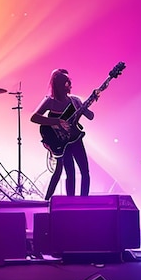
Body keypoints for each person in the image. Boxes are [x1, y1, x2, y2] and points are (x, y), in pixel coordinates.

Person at [30, 68, 94, 201]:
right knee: (69, 173)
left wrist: (86, 106)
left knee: (85, 172)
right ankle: (70, 202)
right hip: (62, 141)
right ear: (60, 85)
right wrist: (56, 121)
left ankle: (84, 202)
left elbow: (91, 116)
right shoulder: (50, 101)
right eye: (66, 83)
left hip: (75, 138)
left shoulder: (74, 100)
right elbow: (34, 117)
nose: (69, 85)